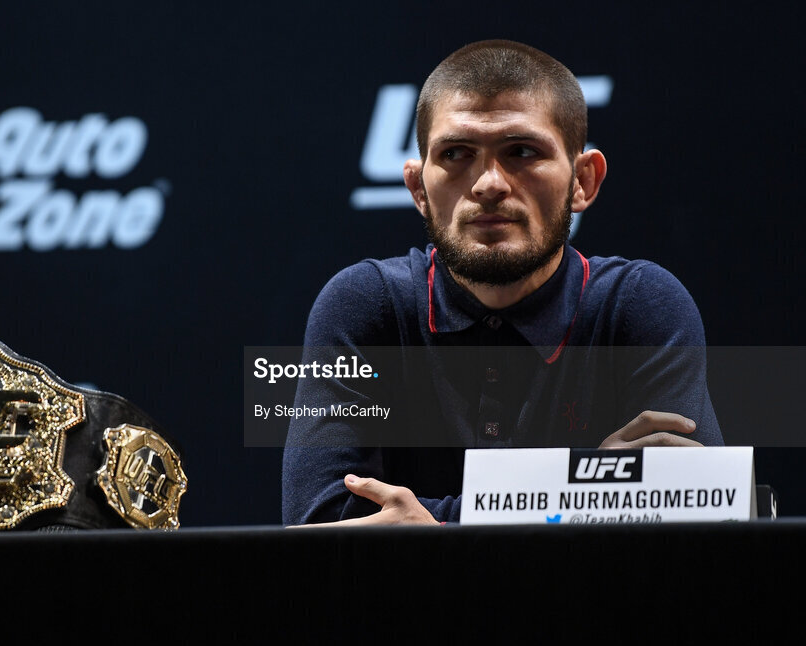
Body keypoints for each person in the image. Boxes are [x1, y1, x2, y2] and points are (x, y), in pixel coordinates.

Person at [281, 39, 723, 527]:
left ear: (584, 181)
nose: (489, 183)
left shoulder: (640, 304)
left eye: (521, 151)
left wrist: (437, 527)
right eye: (456, 153)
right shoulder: (363, 306)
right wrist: (588, 492)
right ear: (417, 188)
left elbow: (694, 522)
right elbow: (320, 524)